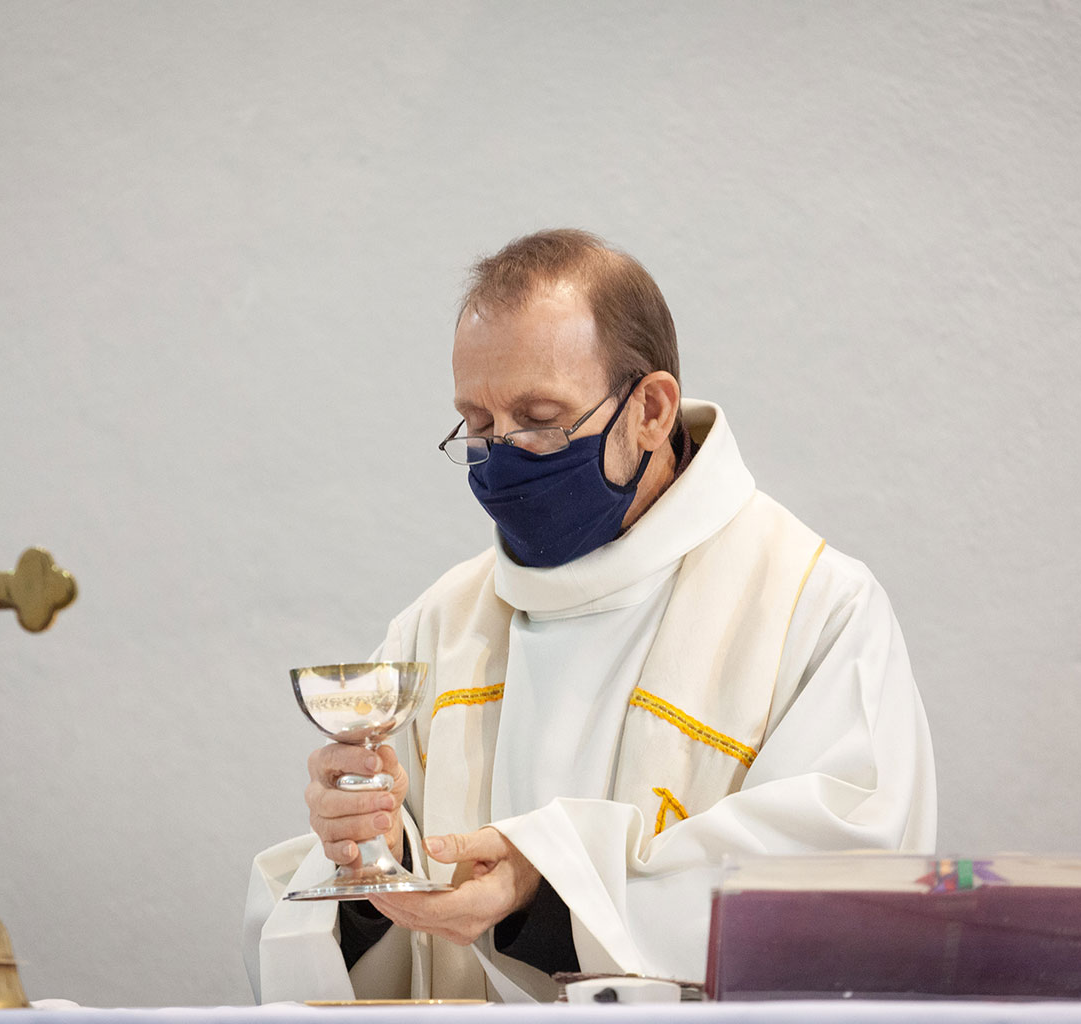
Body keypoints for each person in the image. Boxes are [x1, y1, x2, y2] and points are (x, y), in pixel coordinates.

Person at [243, 229, 936, 1003]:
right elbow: (348, 939)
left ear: (651, 410)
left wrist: (545, 890)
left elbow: (842, 888)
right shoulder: (440, 626)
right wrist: (369, 859)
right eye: (479, 427)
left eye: (540, 418)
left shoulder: (813, 609)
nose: (504, 459)